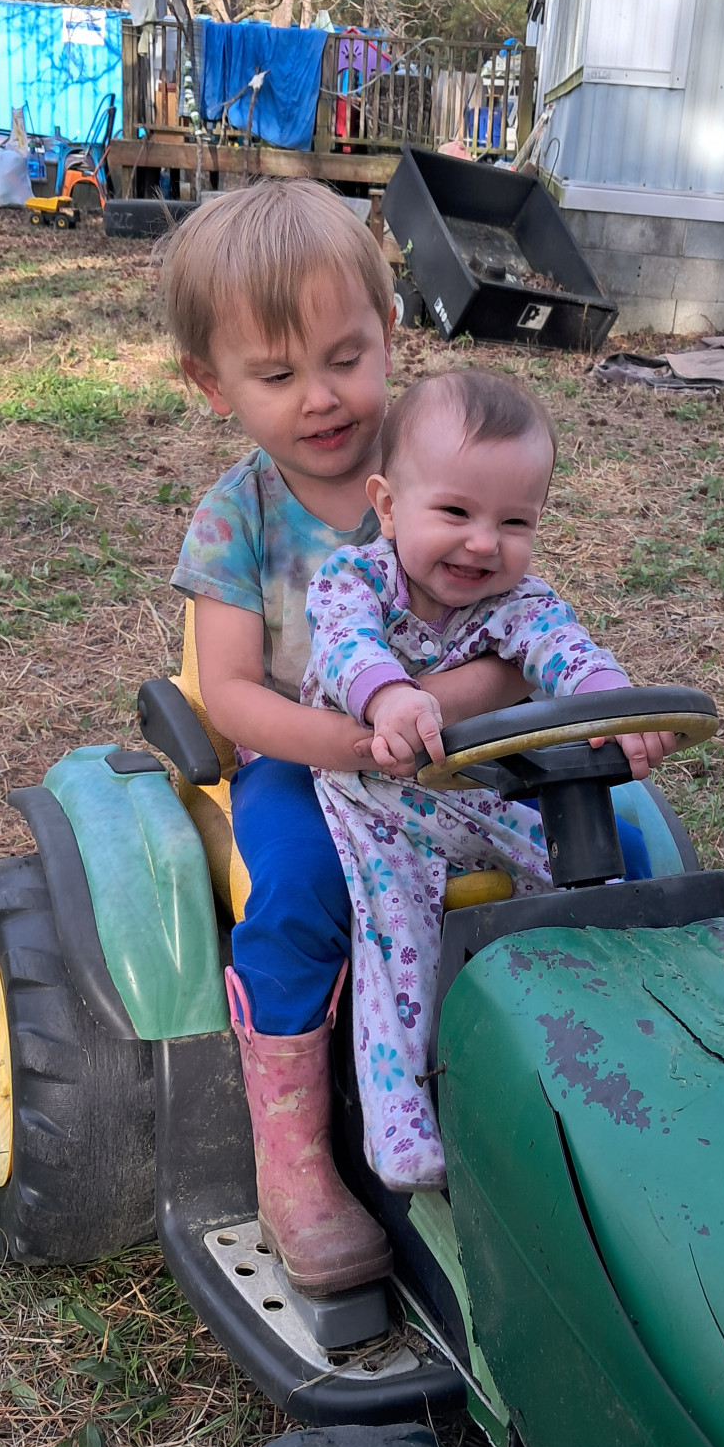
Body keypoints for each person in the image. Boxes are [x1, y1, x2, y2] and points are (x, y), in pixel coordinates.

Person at [164, 182, 530, 1300]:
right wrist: (355, 735)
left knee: (597, 831)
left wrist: (424, 707)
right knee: (298, 889)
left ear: (390, 334)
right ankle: (296, 1158)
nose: (321, 398)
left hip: (449, 744)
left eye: (345, 358)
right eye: (277, 376)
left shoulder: (437, 464)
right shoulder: (238, 518)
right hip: (301, 758)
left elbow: (515, 640)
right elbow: (232, 693)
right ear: (213, 384)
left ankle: (553, 1071)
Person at [302, 369, 676, 1191]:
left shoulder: (520, 600)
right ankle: (399, 1119)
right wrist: (389, 697)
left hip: (481, 792)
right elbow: (344, 645)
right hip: (376, 801)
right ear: (389, 505)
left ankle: (620, 1046)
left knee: (590, 881)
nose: (483, 544)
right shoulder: (352, 579)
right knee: (396, 933)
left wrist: (613, 703)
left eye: (514, 522)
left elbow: (566, 650)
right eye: (456, 513)